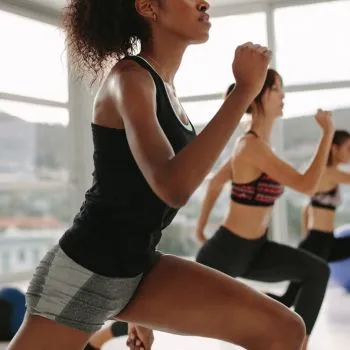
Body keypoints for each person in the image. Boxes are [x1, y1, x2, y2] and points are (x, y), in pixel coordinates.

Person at [7, 1, 306, 350]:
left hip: (137, 267)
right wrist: (243, 93)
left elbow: (137, 200)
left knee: (284, 330)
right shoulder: (128, 79)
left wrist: (136, 309)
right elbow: (172, 186)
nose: (205, 1)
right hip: (84, 273)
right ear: (148, 7)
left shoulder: (163, 87)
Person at [195, 70, 334, 350]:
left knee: (316, 272)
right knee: (171, 309)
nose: (283, 96)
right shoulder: (250, 146)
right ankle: (99, 340)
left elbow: (216, 183)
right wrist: (327, 133)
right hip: (226, 252)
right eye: (278, 89)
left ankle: (300, 345)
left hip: (256, 251)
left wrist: (201, 227)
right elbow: (307, 185)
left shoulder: (259, 147)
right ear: (262, 94)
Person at [268, 129, 350, 306]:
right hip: (317, 243)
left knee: (290, 298)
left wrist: (307, 235)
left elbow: (307, 207)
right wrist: (310, 240)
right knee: (288, 299)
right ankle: (249, 301)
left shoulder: (330, 174)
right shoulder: (328, 173)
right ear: (334, 148)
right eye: (349, 148)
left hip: (325, 241)